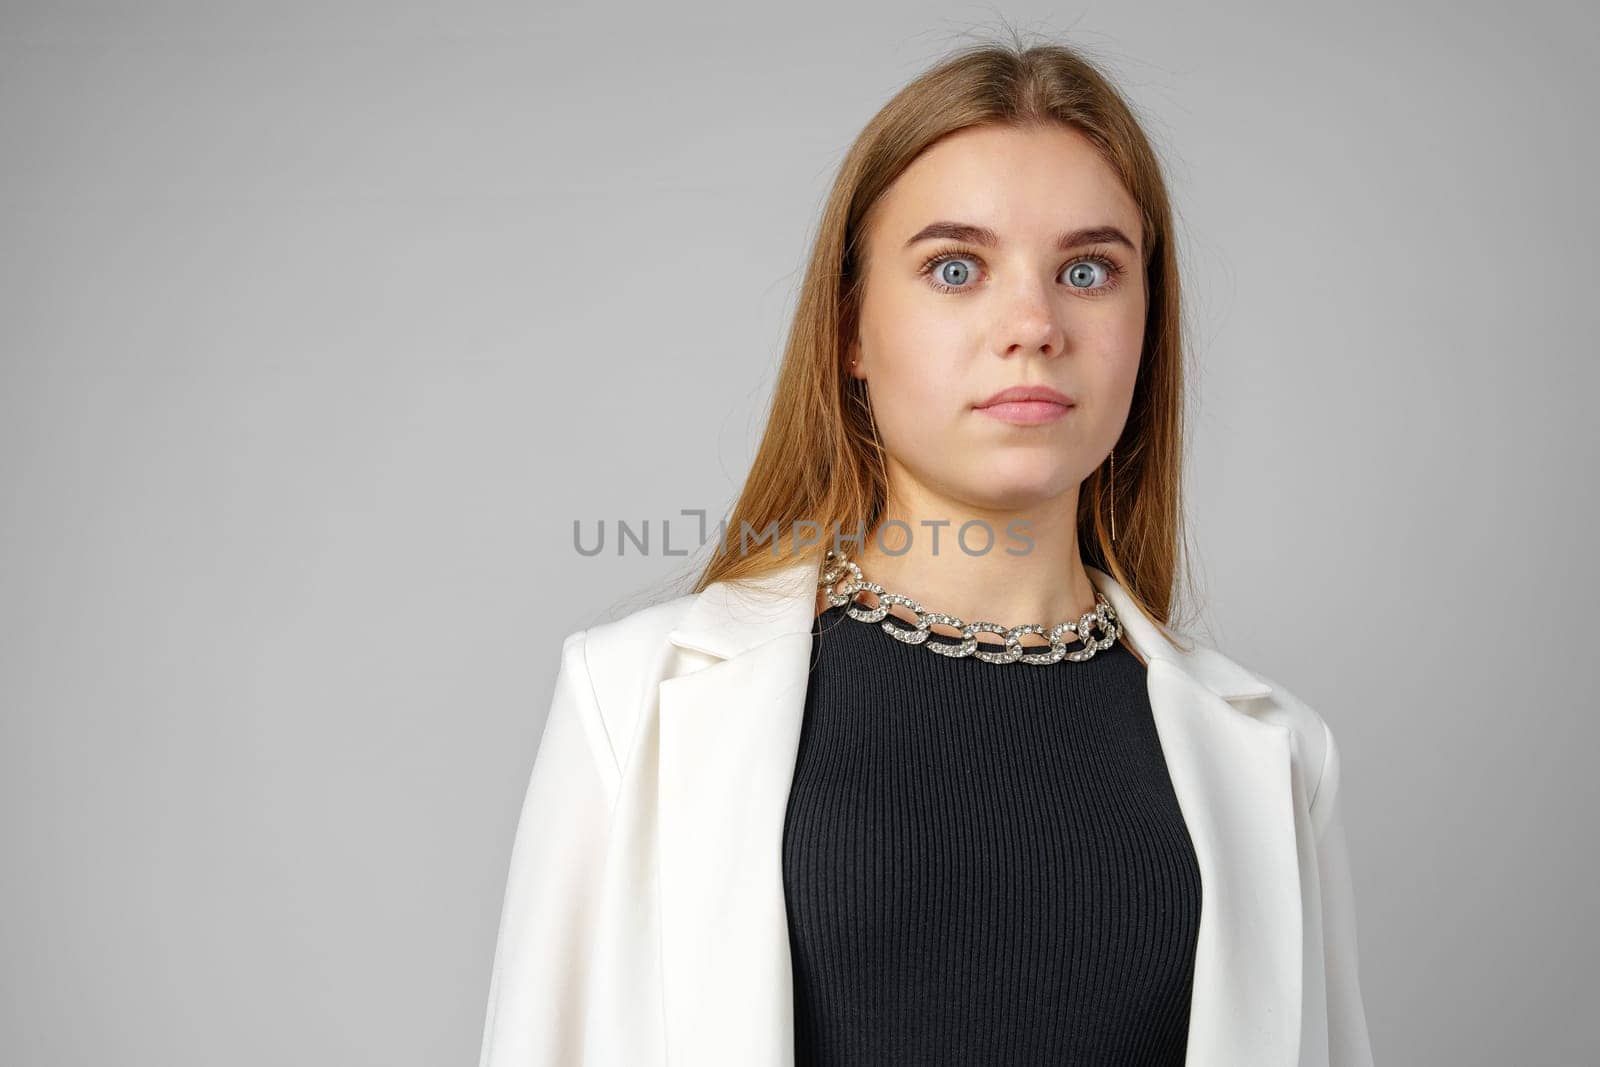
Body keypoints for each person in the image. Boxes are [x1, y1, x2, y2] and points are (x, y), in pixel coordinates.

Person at [479, 37, 1376, 1067]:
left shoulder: (1275, 756)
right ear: (850, 328)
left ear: (1147, 325)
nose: (1034, 323)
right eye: (956, 267)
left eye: (1088, 270)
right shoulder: (631, 698)